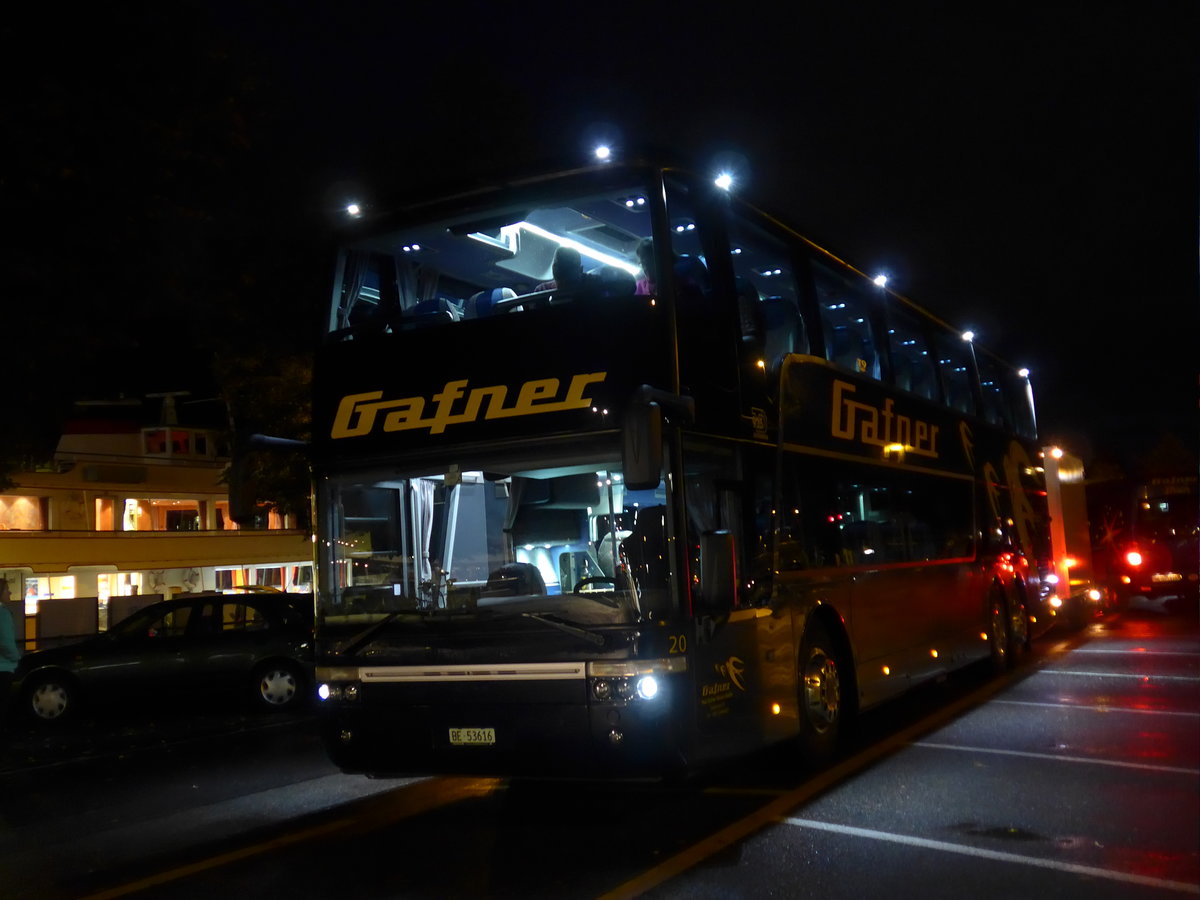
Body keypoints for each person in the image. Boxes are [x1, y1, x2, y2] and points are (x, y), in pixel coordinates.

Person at [0, 579, 21, 732]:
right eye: (7, 589)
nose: (10, 592)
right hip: (3, 668)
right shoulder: (3, 613)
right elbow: (6, 642)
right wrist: (17, 658)